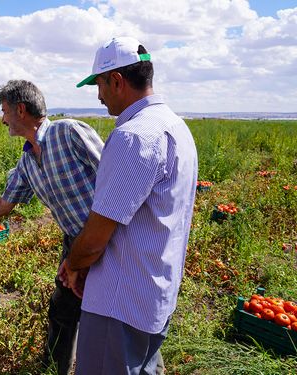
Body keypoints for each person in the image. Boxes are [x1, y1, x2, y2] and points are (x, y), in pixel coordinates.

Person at [62, 37, 198, 374]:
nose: (98, 95)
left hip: (118, 303)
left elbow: (97, 235)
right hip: (154, 293)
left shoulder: (134, 136)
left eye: (99, 84)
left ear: (117, 81)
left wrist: (74, 264)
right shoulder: (176, 127)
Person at [0, 80, 104, 375]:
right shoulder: (26, 161)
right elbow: (5, 204)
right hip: (74, 241)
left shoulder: (69, 132)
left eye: (5, 111)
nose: (2, 119)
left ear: (21, 110)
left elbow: (115, 176)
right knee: (63, 309)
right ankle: (53, 369)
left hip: (109, 237)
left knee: (112, 315)